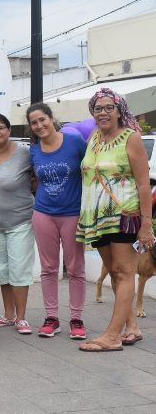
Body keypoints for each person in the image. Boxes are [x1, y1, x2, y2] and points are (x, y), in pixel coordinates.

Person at [77, 88, 153, 352]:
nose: (103, 113)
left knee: (124, 273)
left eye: (109, 107)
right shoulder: (94, 138)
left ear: (120, 111)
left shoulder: (130, 138)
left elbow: (144, 184)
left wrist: (146, 224)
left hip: (124, 216)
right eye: (98, 108)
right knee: (116, 274)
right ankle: (131, 327)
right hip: (97, 218)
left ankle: (112, 336)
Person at [27, 103, 88, 339]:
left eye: (43, 119)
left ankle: (76, 318)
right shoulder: (34, 150)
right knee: (49, 268)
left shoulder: (74, 142)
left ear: (51, 119)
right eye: (34, 122)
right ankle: (51, 318)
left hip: (72, 213)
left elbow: (91, 168)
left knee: (75, 268)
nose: (40, 125)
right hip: (43, 213)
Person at [0, 113, 35, 334]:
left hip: (20, 220)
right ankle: (8, 314)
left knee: (19, 270)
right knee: (3, 271)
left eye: (0, 128)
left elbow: (38, 178)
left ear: (9, 130)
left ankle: (21, 317)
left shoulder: (24, 153)